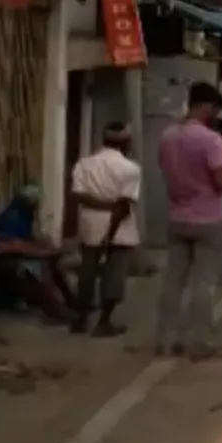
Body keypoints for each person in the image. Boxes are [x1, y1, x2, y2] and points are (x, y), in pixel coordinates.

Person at [156, 82, 222, 360]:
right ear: (205, 106)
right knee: (204, 282)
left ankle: (165, 339)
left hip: (177, 216)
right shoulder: (209, 139)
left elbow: (163, 168)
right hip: (208, 219)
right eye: (213, 109)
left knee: (173, 281)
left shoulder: (168, 136)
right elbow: (221, 177)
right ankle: (201, 342)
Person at [69, 123, 141, 337]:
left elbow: (78, 194)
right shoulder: (129, 168)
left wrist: (100, 205)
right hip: (118, 229)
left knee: (87, 273)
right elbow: (123, 204)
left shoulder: (84, 164)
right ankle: (104, 322)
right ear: (126, 142)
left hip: (89, 224)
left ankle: (81, 321)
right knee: (114, 276)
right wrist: (109, 234)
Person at [0, 185, 75, 323]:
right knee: (34, 270)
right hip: (0, 262)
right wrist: (40, 251)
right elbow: (8, 246)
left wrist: (42, 248)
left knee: (49, 266)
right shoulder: (13, 217)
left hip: (7, 256)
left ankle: (69, 303)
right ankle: (55, 310)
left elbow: (16, 241)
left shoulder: (19, 216)